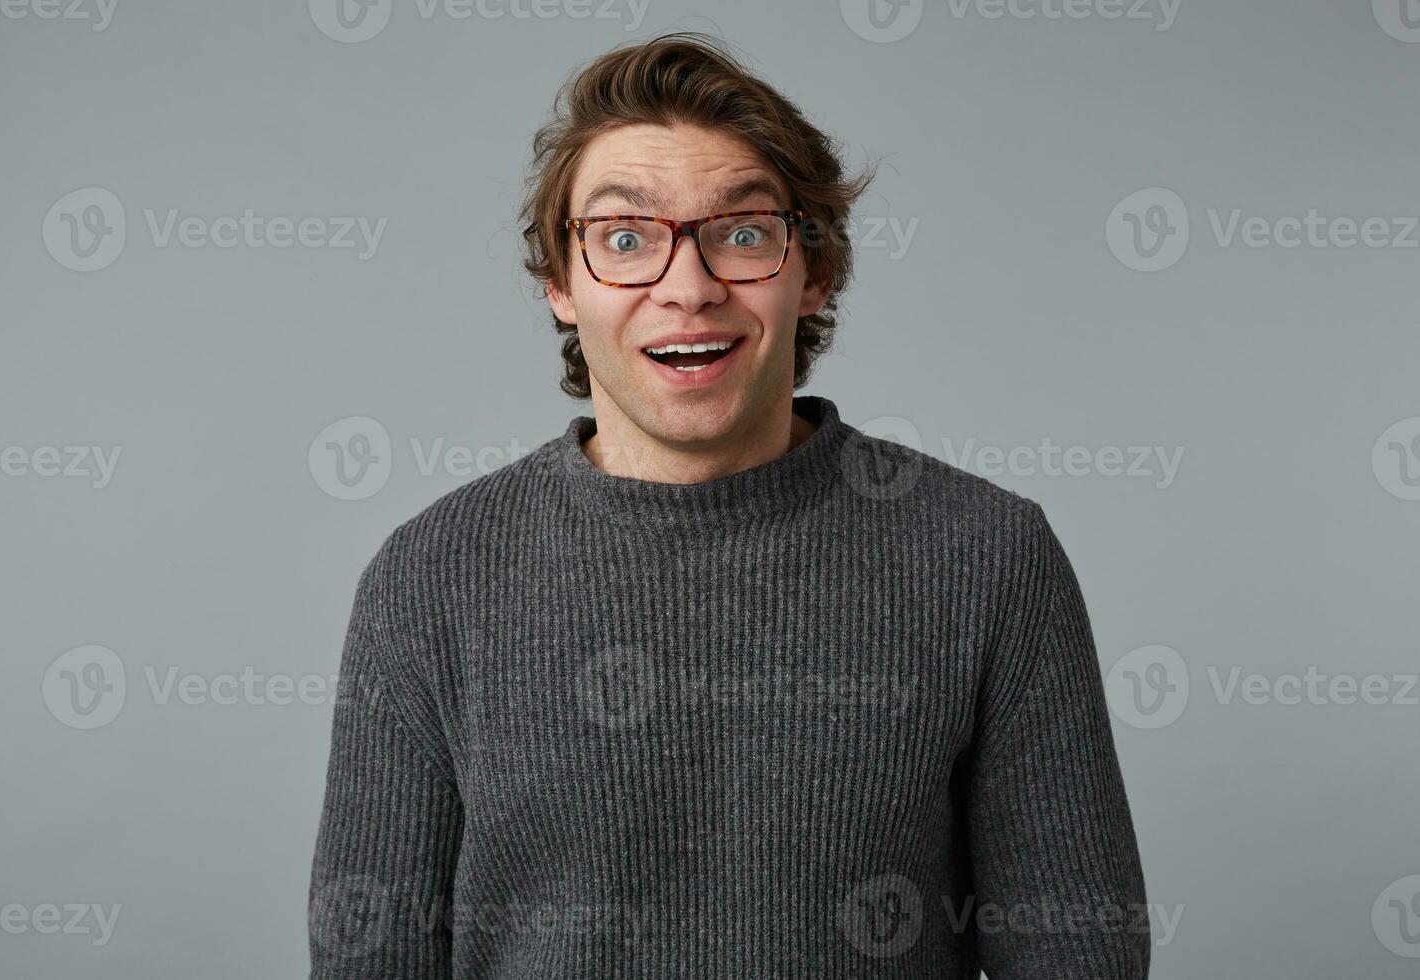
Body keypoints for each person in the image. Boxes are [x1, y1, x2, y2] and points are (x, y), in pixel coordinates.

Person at [308, 31, 1150, 979]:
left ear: (814, 272)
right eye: (625, 240)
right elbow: (368, 958)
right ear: (559, 287)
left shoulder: (987, 554)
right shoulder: (432, 576)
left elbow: (1080, 954)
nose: (688, 287)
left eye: (742, 233)